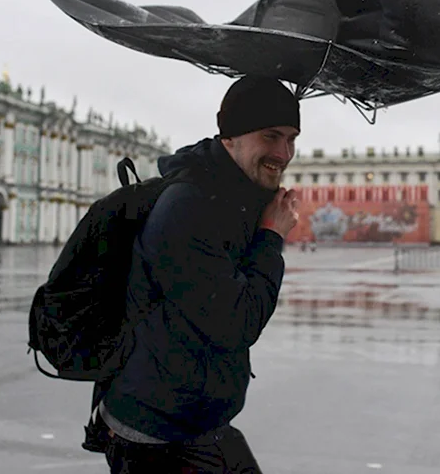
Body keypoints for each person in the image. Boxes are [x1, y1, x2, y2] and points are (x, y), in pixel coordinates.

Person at [98, 76, 301, 474]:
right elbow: (238, 322)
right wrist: (271, 236)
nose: (284, 152)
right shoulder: (190, 207)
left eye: (292, 138)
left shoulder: (226, 196)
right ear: (232, 137)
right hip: (156, 433)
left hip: (194, 420)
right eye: (271, 135)